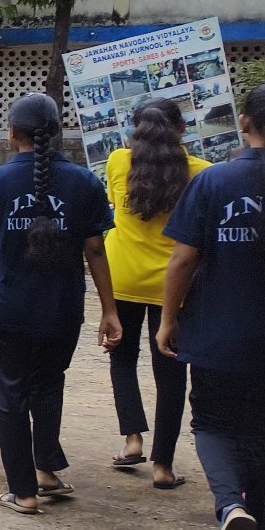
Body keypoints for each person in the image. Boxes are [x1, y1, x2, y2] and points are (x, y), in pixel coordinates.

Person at [0, 93, 121, 515]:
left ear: (12, 133)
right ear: (56, 131)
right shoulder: (85, 182)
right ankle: (47, 472)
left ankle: (24, 491)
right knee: (49, 385)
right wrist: (109, 310)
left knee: (10, 393)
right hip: (62, 309)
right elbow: (96, 251)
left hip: (8, 306)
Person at [160, 81, 265, 530]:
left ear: (246, 124)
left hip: (218, 336)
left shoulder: (215, 182)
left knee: (213, 425)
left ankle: (231, 508)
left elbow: (183, 260)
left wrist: (169, 320)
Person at [104, 98, 209, 487]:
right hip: (175, 285)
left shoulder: (118, 162)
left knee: (122, 357)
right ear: (181, 130)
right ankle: (163, 466)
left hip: (123, 277)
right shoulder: (202, 172)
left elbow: (117, 206)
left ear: (137, 130)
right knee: (170, 373)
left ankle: (132, 440)